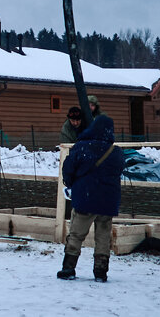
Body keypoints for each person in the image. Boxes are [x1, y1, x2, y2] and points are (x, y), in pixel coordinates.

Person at [57, 113, 126, 282]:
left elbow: (68, 168)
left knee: (76, 234)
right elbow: (119, 170)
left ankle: (68, 268)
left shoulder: (82, 147)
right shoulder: (115, 152)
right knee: (103, 236)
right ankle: (101, 272)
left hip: (85, 197)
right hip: (107, 200)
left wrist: (72, 184)